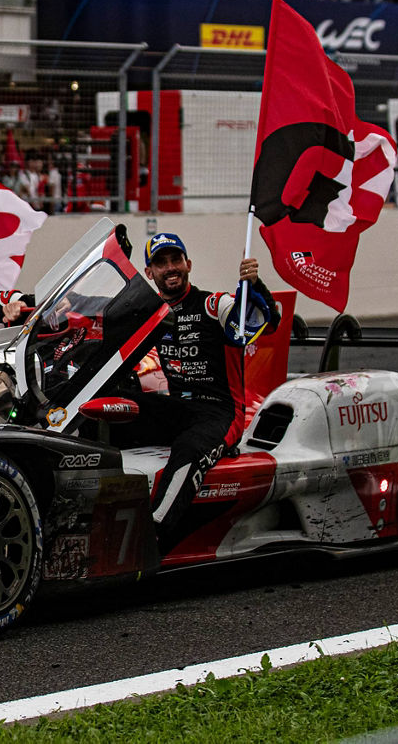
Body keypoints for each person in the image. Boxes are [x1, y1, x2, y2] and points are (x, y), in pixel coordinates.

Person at [113, 233, 279, 556]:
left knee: (188, 448)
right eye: (161, 263)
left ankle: (152, 537)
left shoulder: (214, 304)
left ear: (188, 264)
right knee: (117, 405)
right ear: (149, 273)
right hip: (178, 411)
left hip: (221, 413)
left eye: (176, 260)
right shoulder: (152, 315)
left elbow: (265, 322)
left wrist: (255, 288)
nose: (170, 268)